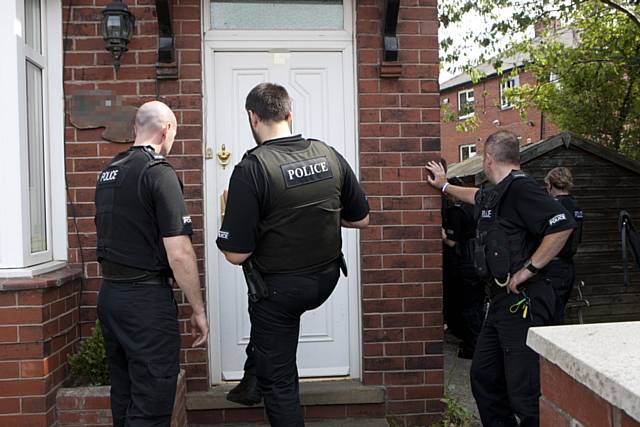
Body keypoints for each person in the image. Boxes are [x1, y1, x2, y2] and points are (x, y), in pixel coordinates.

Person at [216, 82, 369, 427]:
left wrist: (232, 212)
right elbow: (361, 218)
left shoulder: (252, 169)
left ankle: (262, 380)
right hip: (326, 279)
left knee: (280, 378)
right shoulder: (327, 153)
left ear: (252, 117)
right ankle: (249, 382)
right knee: (268, 328)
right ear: (289, 114)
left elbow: (236, 255)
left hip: (281, 290)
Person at [425, 130, 576, 427]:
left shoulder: (523, 189)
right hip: (500, 304)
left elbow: (562, 225)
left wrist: (527, 270)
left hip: (525, 303)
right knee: (485, 377)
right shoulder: (498, 192)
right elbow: (476, 197)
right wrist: (444, 186)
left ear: (489, 159)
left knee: (524, 392)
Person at [95, 101, 209, 427]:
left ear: (135, 129)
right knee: (152, 403)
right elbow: (180, 252)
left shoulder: (109, 173)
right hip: (144, 303)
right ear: (166, 130)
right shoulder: (158, 172)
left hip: (111, 297)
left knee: (125, 395)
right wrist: (198, 310)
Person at [442, 186, 484, 359]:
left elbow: (452, 242)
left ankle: (472, 347)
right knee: (477, 305)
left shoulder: (456, 212)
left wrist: (443, 235)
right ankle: (477, 342)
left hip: (465, 262)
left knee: (467, 307)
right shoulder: (476, 208)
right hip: (480, 261)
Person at [544, 167, 583, 324]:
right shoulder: (576, 206)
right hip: (568, 267)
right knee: (559, 312)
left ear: (550, 185)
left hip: (552, 266)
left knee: (548, 317)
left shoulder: (552, 206)